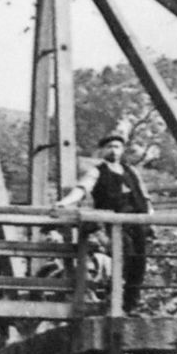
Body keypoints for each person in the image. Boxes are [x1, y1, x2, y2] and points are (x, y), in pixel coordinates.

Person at [55, 133, 152, 311]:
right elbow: (82, 189)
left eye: (117, 147)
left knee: (139, 264)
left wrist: (151, 218)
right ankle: (114, 304)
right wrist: (65, 202)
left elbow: (145, 197)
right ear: (102, 150)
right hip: (112, 223)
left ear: (122, 150)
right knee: (123, 258)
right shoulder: (97, 171)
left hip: (136, 224)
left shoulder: (131, 171)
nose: (113, 150)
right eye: (109, 147)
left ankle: (131, 306)